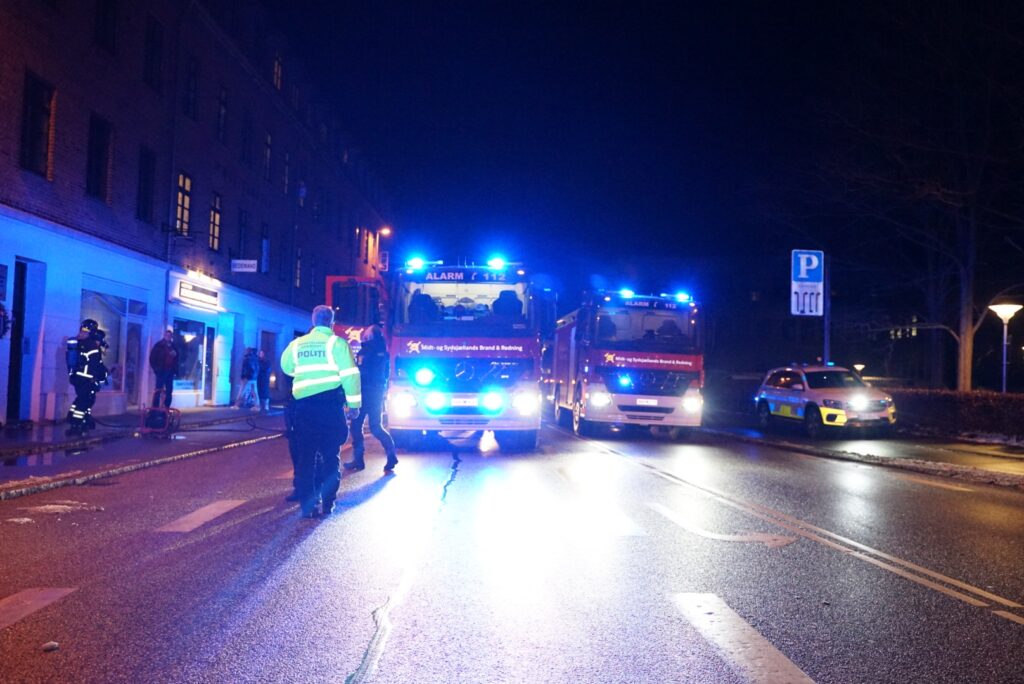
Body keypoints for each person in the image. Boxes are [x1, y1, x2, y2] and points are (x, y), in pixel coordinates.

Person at [280, 305, 361, 518]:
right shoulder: (337, 344)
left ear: (313, 321)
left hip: (304, 409)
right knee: (330, 456)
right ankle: (328, 503)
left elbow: (287, 367)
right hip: (330, 408)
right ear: (331, 322)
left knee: (306, 458)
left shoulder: (297, 344)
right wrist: (354, 406)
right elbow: (351, 376)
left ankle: (308, 506)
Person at [344, 325, 398, 473]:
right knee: (376, 426)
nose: (364, 335)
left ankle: (358, 460)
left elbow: (360, 373)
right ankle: (391, 454)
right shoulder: (384, 352)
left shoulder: (366, 351)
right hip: (377, 394)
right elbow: (385, 374)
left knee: (356, 426)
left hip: (364, 393)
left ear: (370, 336)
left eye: (366, 333)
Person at [65, 319, 108, 436]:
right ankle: (76, 424)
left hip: (77, 377)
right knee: (85, 400)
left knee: (83, 399)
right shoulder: (92, 346)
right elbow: (96, 364)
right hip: (87, 378)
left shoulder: (79, 342)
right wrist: (103, 376)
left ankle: (80, 419)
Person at [149, 329, 179, 408]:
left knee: (169, 390)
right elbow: (152, 358)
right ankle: (155, 408)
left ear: (171, 337)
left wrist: (175, 356)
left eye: (170, 336)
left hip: (170, 370)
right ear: (164, 336)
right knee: (158, 390)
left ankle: (166, 408)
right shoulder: (159, 345)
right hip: (161, 370)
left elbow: (177, 358)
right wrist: (156, 369)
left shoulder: (173, 346)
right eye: (167, 335)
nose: (168, 337)